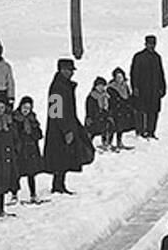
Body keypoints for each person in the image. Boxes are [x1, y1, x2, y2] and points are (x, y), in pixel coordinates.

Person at [45, 57, 85, 194]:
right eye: (68, 70)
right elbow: (55, 111)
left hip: (66, 126)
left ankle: (60, 184)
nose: (71, 73)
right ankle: (57, 186)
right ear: (61, 70)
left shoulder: (65, 85)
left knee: (64, 157)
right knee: (60, 157)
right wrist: (66, 130)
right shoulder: (57, 87)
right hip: (59, 129)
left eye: (71, 70)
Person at [131, 35, 167, 139]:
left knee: (153, 112)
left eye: (153, 44)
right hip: (142, 89)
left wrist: (162, 87)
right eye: (149, 44)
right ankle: (141, 131)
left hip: (154, 89)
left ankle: (151, 131)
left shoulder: (157, 57)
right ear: (145, 44)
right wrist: (135, 87)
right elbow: (134, 73)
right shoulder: (139, 57)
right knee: (141, 111)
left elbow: (161, 73)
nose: (151, 46)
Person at [12, 96, 45, 204]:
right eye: (24, 107)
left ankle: (33, 194)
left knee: (31, 173)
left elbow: (39, 134)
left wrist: (33, 132)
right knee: (17, 173)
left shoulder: (32, 119)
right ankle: (14, 194)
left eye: (28, 108)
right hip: (20, 149)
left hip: (31, 149)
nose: (26, 110)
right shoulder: (15, 118)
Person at [107, 68, 135, 149]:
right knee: (112, 127)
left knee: (120, 127)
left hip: (123, 109)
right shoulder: (111, 87)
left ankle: (119, 142)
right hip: (115, 109)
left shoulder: (125, 86)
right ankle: (109, 142)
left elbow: (128, 96)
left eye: (121, 77)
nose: (119, 79)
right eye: (117, 77)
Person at [85, 76, 114, 151]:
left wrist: (108, 115)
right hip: (94, 118)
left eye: (103, 86)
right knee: (92, 130)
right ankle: (88, 145)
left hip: (104, 117)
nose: (101, 87)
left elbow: (109, 107)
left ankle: (106, 143)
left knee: (110, 124)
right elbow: (90, 110)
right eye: (99, 86)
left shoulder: (106, 96)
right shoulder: (92, 97)